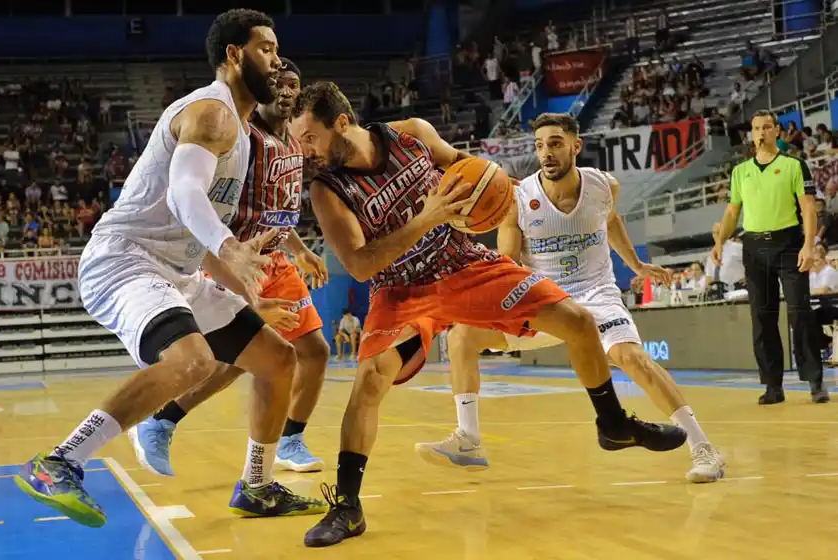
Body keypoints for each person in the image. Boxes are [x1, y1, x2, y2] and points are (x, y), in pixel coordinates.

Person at [290, 82, 687, 548]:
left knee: (578, 321)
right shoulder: (325, 188)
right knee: (371, 379)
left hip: (464, 264)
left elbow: (464, 166)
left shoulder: (413, 134)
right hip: (401, 289)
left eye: (308, 137)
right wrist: (426, 218)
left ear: (341, 123)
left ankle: (613, 424)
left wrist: (499, 186)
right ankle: (348, 506)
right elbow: (358, 265)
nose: (303, 150)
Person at [13, 10, 326, 528]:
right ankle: (59, 462)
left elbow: (192, 237)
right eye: (266, 49)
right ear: (233, 55)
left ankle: (256, 485)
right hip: (126, 258)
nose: (275, 61)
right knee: (192, 361)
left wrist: (243, 295)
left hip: (175, 270)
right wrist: (231, 247)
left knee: (277, 358)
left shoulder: (244, 135)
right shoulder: (211, 112)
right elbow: (184, 194)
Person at [415, 113, 724, 483]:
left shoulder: (603, 186)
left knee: (633, 358)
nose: (546, 153)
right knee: (461, 335)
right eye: (540, 145)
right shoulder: (517, 198)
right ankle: (468, 438)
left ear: (576, 146)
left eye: (556, 143)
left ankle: (704, 448)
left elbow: (610, 222)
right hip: (545, 299)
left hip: (596, 292)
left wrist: (637, 264)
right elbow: (509, 261)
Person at [128, 58, 332, 476]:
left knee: (314, 350)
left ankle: (291, 441)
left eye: (295, 84)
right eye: (281, 82)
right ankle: (162, 420)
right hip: (237, 259)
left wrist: (300, 250)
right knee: (242, 359)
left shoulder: (293, 142)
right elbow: (207, 196)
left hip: (277, 257)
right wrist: (222, 250)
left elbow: (277, 209)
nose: (289, 90)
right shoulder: (243, 138)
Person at [714, 109, 828, 405]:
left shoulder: (794, 165)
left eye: (766, 127)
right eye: (756, 128)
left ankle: (815, 381)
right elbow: (731, 213)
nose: (761, 133)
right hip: (754, 247)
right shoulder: (740, 172)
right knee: (762, 318)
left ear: (777, 131)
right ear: (751, 133)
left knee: (799, 311)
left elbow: (808, 208)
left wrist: (808, 245)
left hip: (789, 243)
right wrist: (719, 241)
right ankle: (773, 385)